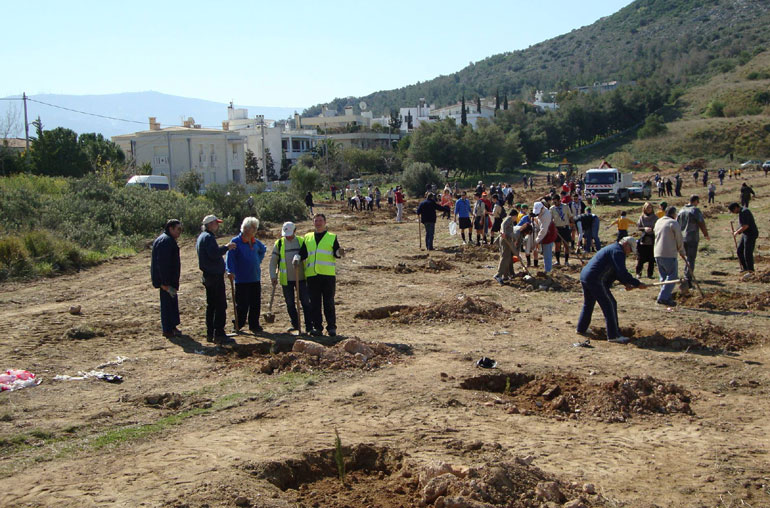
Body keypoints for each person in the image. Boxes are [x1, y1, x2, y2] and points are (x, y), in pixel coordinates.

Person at [576, 237, 647, 343]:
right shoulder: (618, 252)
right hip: (595, 279)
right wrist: (637, 283)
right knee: (610, 304)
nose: (630, 252)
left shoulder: (613, 249)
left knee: (589, 303)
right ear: (626, 244)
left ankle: (581, 328)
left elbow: (615, 272)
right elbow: (621, 271)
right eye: (630, 249)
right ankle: (613, 335)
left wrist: (626, 283)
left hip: (586, 277)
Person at [196, 215, 237, 344]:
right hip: (214, 277)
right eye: (216, 223)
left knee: (212, 305)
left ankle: (211, 333)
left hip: (209, 276)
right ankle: (219, 333)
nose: (217, 225)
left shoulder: (202, 237)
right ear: (210, 224)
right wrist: (226, 247)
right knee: (219, 305)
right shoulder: (208, 237)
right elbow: (214, 254)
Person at [269, 222, 313, 334]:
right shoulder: (279, 243)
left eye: (290, 233)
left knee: (305, 302)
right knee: (290, 303)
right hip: (286, 279)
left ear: (295, 231)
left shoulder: (301, 241)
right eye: (286, 234)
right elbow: (273, 262)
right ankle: (295, 324)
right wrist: (273, 276)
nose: (288, 236)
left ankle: (309, 326)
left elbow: (307, 256)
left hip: (301, 278)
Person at [304, 214, 344, 336]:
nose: (318, 223)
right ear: (313, 223)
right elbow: (303, 253)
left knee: (329, 302)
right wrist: (297, 257)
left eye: (320, 220)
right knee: (315, 303)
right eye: (316, 221)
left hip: (327, 276)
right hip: (312, 275)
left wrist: (339, 252)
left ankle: (331, 327)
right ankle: (317, 328)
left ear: (325, 222)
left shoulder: (332, 237)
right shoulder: (307, 237)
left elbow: (336, 253)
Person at [225, 217, 267, 334]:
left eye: (255, 228)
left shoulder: (254, 241)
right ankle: (239, 324)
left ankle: (254, 325)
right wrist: (230, 270)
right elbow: (230, 258)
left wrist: (258, 260)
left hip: (255, 277)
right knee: (242, 304)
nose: (255, 230)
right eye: (253, 228)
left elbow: (263, 249)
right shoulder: (235, 242)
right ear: (245, 228)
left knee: (255, 303)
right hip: (241, 279)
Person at [151, 219, 182, 338]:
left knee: (172, 303)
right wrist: (163, 283)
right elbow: (162, 264)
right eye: (178, 229)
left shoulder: (167, 240)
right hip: (166, 282)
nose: (180, 232)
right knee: (167, 305)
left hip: (169, 281)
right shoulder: (166, 241)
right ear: (171, 228)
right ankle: (167, 330)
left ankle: (172, 327)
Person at [654, 206, 686, 306]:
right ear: (673, 214)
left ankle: (666, 297)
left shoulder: (659, 221)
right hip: (669, 253)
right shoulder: (673, 223)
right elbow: (679, 238)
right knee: (672, 276)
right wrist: (681, 251)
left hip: (657, 252)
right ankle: (662, 297)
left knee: (663, 276)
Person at [676, 195, 710, 290]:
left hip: (682, 238)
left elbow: (676, 223)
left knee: (686, 258)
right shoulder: (695, 210)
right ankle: (688, 279)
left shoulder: (681, 210)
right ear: (695, 201)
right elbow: (701, 222)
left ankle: (686, 275)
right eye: (698, 202)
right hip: (692, 237)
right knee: (691, 259)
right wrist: (705, 234)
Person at [494, 219, 532, 284]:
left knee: (510, 258)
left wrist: (518, 254)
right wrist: (516, 254)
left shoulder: (521, 233)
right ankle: (498, 275)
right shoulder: (517, 233)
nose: (527, 235)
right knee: (506, 257)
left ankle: (508, 276)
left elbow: (518, 246)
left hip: (509, 242)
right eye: (527, 233)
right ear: (525, 231)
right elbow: (512, 245)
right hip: (505, 240)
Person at [729, 202, 759, 273]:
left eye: (733, 211)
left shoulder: (745, 212)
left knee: (747, 253)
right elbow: (742, 224)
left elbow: (745, 226)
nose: (733, 213)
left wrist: (737, 232)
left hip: (751, 234)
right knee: (740, 251)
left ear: (736, 208)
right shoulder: (741, 212)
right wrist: (736, 230)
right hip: (746, 234)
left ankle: (750, 270)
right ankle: (745, 268)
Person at [550, 194, 573, 265]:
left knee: (566, 245)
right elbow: (550, 219)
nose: (555, 204)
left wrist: (572, 225)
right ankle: (557, 261)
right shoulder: (552, 209)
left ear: (559, 200)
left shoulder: (565, 207)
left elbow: (570, 216)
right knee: (557, 245)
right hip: (557, 229)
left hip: (565, 228)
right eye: (553, 202)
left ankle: (566, 261)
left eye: (556, 202)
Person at [636, 202, 658, 278]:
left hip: (652, 240)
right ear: (644, 209)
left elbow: (658, 227)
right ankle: (638, 273)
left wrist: (652, 229)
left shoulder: (655, 218)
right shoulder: (641, 217)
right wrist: (644, 229)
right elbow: (638, 227)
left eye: (650, 207)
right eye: (647, 208)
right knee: (640, 258)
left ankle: (650, 274)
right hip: (644, 241)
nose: (649, 209)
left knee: (651, 259)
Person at [533, 201, 554, 273]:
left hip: (548, 234)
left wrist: (537, 240)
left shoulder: (546, 215)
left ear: (542, 208)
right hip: (544, 233)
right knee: (545, 252)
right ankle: (547, 268)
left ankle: (548, 270)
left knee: (547, 253)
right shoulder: (541, 212)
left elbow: (543, 231)